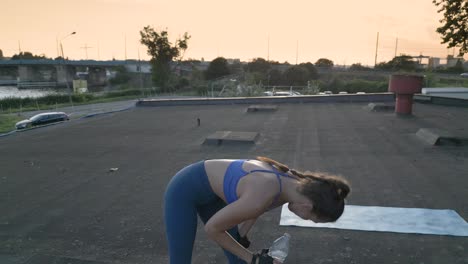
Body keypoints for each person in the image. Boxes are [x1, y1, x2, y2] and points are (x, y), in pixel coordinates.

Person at [164, 157, 350, 264]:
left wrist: (242, 236)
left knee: (239, 258)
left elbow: (254, 210)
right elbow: (212, 229)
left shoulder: (292, 185)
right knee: (180, 260)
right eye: (310, 219)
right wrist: (254, 259)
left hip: (212, 194)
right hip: (184, 190)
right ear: (308, 206)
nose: (305, 219)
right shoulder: (266, 191)